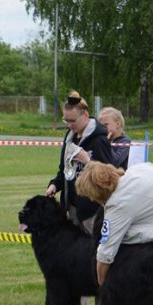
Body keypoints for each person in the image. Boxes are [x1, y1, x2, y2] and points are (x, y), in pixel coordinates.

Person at [45, 91, 112, 235]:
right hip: (71, 209)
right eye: (66, 120)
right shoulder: (69, 138)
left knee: (93, 252)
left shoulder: (99, 140)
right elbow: (65, 170)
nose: (69, 125)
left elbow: (108, 176)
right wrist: (55, 185)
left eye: (72, 121)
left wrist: (87, 161)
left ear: (85, 115)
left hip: (92, 211)